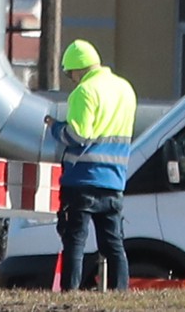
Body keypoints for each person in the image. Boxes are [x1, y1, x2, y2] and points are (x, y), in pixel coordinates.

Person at [43, 39, 137, 290]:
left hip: (82, 180)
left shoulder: (84, 92)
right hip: (115, 180)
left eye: (69, 73)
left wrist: (55, 127)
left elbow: (77, 136)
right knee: (114, 244)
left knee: (75, 241)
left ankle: (70, 293)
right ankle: (120, 293)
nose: (71, 79)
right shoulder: (125, 89)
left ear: (77, 68)